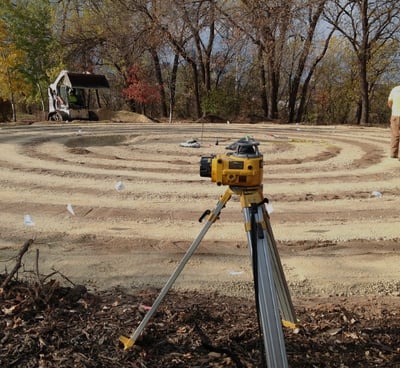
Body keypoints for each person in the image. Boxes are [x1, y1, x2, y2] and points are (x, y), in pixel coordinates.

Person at [387, 85, 400, 159]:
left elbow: (389, 103)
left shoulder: (394, 89)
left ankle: (393, 153)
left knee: (395, 134)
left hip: (395, 115)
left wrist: (394, 109)